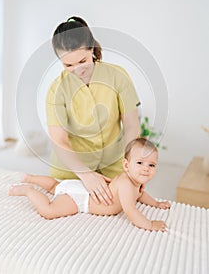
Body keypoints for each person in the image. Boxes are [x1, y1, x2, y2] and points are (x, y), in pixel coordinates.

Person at [46, 16, 141, 207]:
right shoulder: (56, 90)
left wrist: (131, 170)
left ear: (92, 49)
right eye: (68, 65)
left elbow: (131, 125)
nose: (78, 69)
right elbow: (59, 140)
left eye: (83, 60)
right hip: (71, 170)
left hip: (114, 166)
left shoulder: (118, 76)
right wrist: (86, 176)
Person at [9, 138, 171, 232]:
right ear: (127, 166)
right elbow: (130, 210)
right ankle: (28, 190)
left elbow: (141, 195)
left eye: (151, 165)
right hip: (80, 199)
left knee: (56, 186)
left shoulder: (135, 184)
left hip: (84, 187)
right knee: (49, 210)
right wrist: (149, 224)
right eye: (140, 163)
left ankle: (31, 178)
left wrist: (155, 203)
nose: (146, 168)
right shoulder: (126, 184)